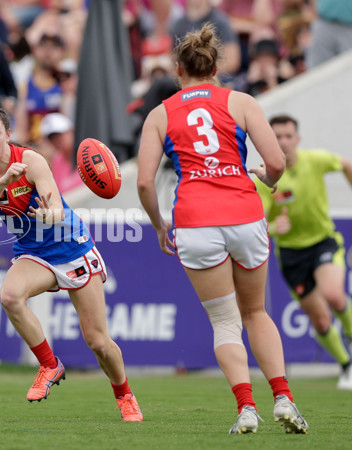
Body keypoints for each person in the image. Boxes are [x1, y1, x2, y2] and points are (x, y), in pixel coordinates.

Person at [136, 24, 308, 434]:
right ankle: (283, 397)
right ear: (216, 68)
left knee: (225, 322)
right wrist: (267, 179)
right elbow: (277, 162)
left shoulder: (161, 114)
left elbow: (143, 182)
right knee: (256, 312)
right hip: (244, 213)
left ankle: (247, 408)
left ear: (178, 69)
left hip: (195, 221)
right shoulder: (242, 101)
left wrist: (160, 224)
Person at [0, 105, 143, 422]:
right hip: (33, 253)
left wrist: (48, 215)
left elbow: (56, 208)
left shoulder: (31, 160)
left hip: (71, 248)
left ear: (8, 135)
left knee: (98, 342)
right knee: (9, 296)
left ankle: (124, 395)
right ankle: (49, 364)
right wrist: (5, 178)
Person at [254, 114, 352, 390]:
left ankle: (350, 333)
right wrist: (273, 226)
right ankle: (347, 366)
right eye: (277, 137)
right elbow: (258, 219)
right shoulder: (265, 175)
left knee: (334, 294)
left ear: (297, 139)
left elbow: (346, 163)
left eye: (288, 136)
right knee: (320, 320)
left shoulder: (315, 160)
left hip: (323, 242)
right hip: (292, 256)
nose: (283, 142)